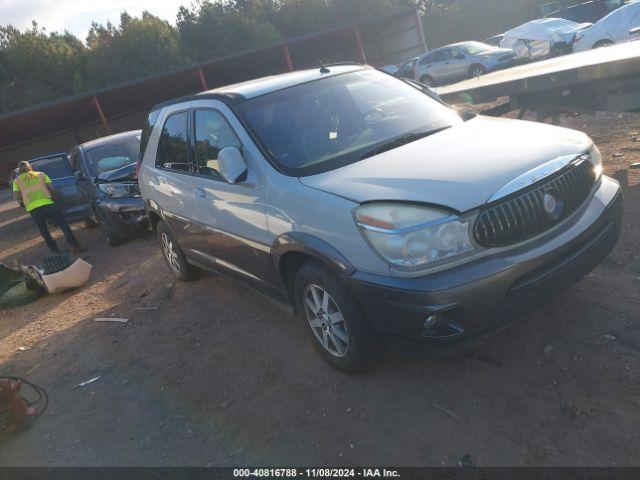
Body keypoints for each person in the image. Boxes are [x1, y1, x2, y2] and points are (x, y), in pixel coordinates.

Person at [12, 160, 87, 254]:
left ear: (20, 170)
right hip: (48, 203)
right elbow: (52, 188)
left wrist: (21, 203)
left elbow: (16, 195)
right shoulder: (41, 174)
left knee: (44, 231)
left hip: (33, 208)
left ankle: (55, 252)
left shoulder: (17, 181)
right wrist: (55, 199)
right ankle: (75, 246)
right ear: (30, 167)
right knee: (63, 225)